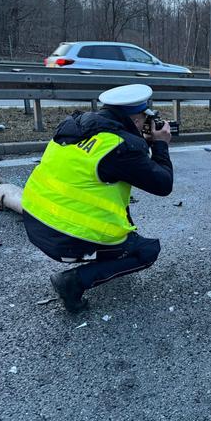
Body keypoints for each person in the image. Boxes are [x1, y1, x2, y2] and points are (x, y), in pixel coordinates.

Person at [21, 84, 173, 312]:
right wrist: (160, 145)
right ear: (135, 118)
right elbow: (163, 185)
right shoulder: (120, 147)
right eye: (145, 118)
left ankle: (109, 253)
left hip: (34, 221)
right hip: (66, 237)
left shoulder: (76, 127)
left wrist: (142, 144)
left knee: (112, 209)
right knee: (147, 251)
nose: (146, 124)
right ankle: (74, 281)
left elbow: (105, 171)